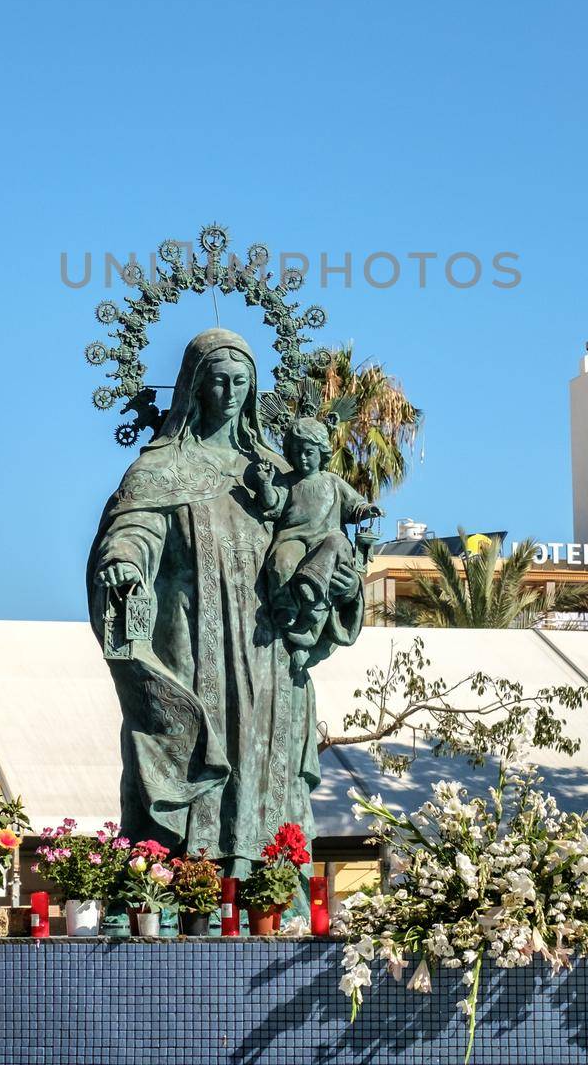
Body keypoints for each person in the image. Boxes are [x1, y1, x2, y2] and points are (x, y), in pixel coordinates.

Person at [87, 329, 364, 878]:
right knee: (191, 741)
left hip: (267, 651)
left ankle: (266, 885)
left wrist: (340, 579)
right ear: (194, 386)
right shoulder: (160, 470)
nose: (230, 392)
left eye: (242, 381)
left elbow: (315, 534)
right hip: (193, 642)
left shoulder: (276, 474)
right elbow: (133, 529)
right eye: (218, 380)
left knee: (267, 764)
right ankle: (182, 884)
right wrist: (122, 558)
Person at [257, 417, 380, 668]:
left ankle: (309, 612)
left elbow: (354, 505)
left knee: (335, 544)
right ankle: (287, 608)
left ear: (321, 452)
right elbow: (272, 504)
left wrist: (368, 510)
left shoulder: (332, 482)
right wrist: (265, 485)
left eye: (309, 452)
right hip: (293, 537)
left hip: (326, 541)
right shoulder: (288, 482)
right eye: (297, 452)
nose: (303, 458)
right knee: (282, 563)